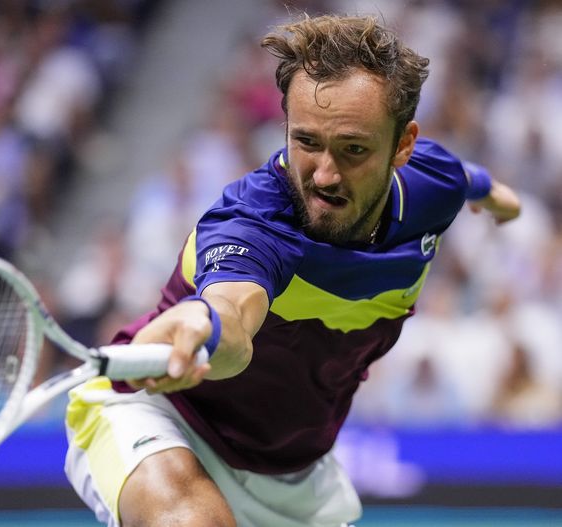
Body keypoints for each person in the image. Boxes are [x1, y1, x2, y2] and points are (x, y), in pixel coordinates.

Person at [63, 14, 521, 527]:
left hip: (297, 476)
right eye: (306, 142)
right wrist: (204, 325)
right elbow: (233, 316)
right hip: (163, 417)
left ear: (403, 146)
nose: (324, 174)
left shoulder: (433, 183)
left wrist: (497, 198)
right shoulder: (251, 224)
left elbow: (463, 178)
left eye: (352, 149)